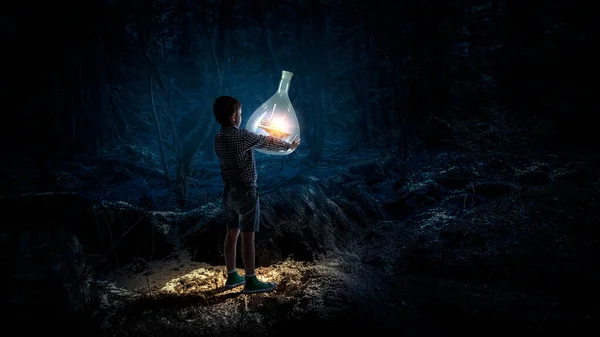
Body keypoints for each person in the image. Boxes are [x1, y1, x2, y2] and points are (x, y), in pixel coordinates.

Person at [213, 95, 301, 294]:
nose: (242, 116)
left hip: (228, 191)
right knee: (247, 237)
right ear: (234, 116)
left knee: (231, 233)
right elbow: (266, 142)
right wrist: (288, 145)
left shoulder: (218, 138)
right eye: (241, 113)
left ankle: (232, 275)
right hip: (246, 191)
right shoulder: (242, 136)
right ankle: (251, 280)